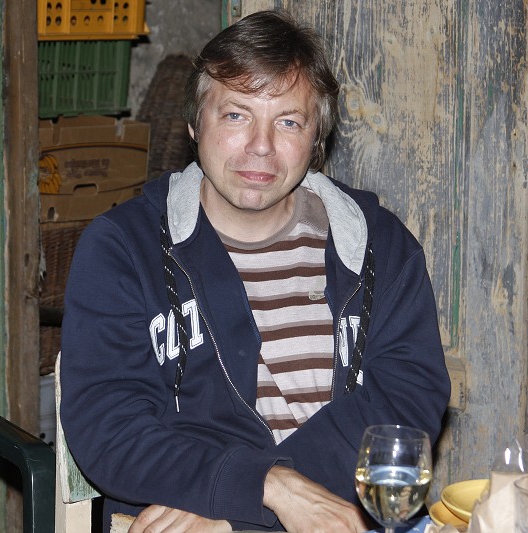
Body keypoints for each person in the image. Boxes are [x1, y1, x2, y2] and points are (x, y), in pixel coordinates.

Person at [60, 9, 450, 533]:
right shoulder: (124, 249)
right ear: (195, 124)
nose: (261, 146)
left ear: (317, 138)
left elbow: (407, 405)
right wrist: (268, 488)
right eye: (236, 115)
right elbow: (110, 430)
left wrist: (240, 516)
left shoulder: (378, 246)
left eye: (288, 121)